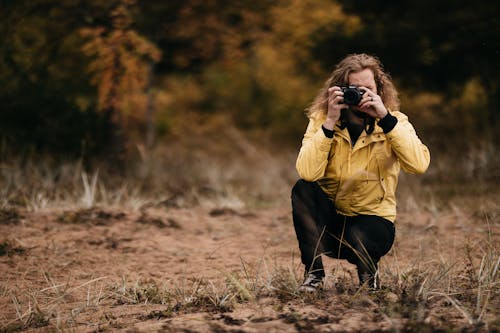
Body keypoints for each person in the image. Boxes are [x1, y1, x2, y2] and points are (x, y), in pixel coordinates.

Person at [291, 53, 430, 291]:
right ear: (339, 90)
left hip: (373, 224)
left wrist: (385, 119)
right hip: (333, 222)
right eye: (353, 89)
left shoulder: (395, 122)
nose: (360, 95)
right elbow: (307, 172)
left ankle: (369, 276)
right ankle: (313, 274)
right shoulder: (323, 121)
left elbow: (418, 165)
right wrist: (329, 123)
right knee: (302, 189)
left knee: (361, 234)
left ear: (379, 90)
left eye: (367, 88)